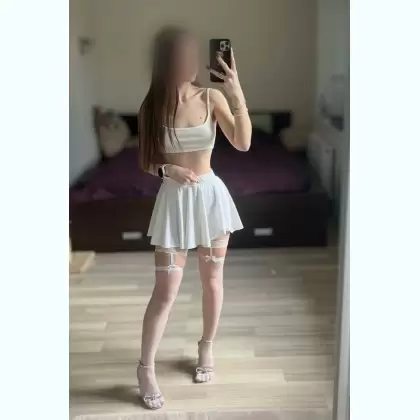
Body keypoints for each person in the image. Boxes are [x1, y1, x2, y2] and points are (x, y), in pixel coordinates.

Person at [137, 26, 252, 410]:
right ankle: (145, 368)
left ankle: (206, 347)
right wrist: (166, 170)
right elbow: (146, 160)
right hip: (173, 203)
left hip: (211, 200)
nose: (189, 61)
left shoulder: (211, 97)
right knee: (165, 292)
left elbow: (243, 142)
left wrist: (235, 92)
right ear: (166, 60)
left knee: (212, 281)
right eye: (180, 54)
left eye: (192, 53)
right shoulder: (151, 107)